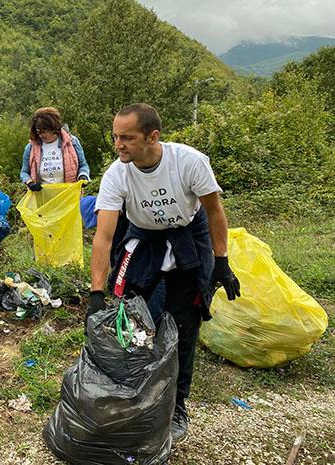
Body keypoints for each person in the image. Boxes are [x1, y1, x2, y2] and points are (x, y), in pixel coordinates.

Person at [88, 103, 241, 444]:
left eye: (126, 137)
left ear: (152, 136)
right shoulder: (117, 174)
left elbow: (215, 211)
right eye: (115, 137)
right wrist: (96, 294)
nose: (118, 145)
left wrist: (221, 261)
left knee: (183, 325)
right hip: (145, 240)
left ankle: (177, 406)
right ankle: (134, 394)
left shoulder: (189, 162)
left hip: (189, 236)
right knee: (133, 319)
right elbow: (104, 236)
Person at [20, 107, 90, 190]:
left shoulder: (72, 142)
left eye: (43, 131)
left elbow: (83, 165)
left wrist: (83, 176)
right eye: (38, 132)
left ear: (53, 128)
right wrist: (30, 183)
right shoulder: (31, 147)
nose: (40, 135)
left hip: (68, 195)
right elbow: (24, 172)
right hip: (42, 197)